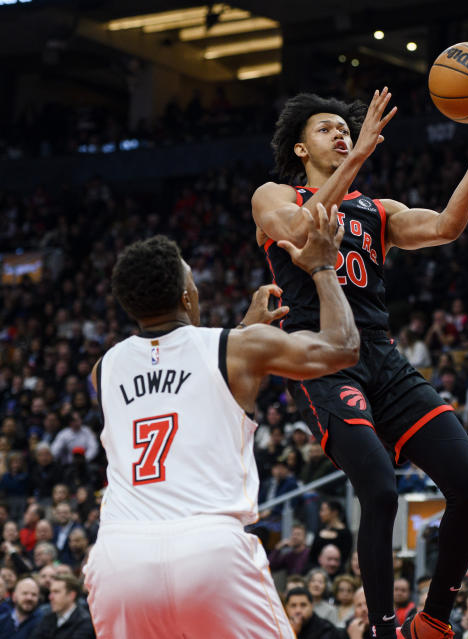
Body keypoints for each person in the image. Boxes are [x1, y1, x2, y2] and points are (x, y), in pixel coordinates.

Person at [253, 74, 468, 639]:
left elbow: (449, 225)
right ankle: (382, 628)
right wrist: (359, 157)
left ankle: (433, 622)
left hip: (382, 356)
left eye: (348, 129)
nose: (343, 135)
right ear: (301, 148)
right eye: (328, 129)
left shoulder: (379, 211)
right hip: (321, 354)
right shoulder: (276, 196)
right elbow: (298, 233)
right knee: (378, 486)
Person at [83, 206, 359, 638]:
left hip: (120, 556)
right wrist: (323, 266)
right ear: (186, 296)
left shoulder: (104, 369)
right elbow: (341, 347)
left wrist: (244, 331)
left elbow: (177, 388)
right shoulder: (236, 350)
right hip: (208, 547)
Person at [29, 575, 94, 639]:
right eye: (50, 592)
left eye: (56, 592)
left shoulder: (85, 622)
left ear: (71, 595)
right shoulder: (48, 618)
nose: (50, 597)